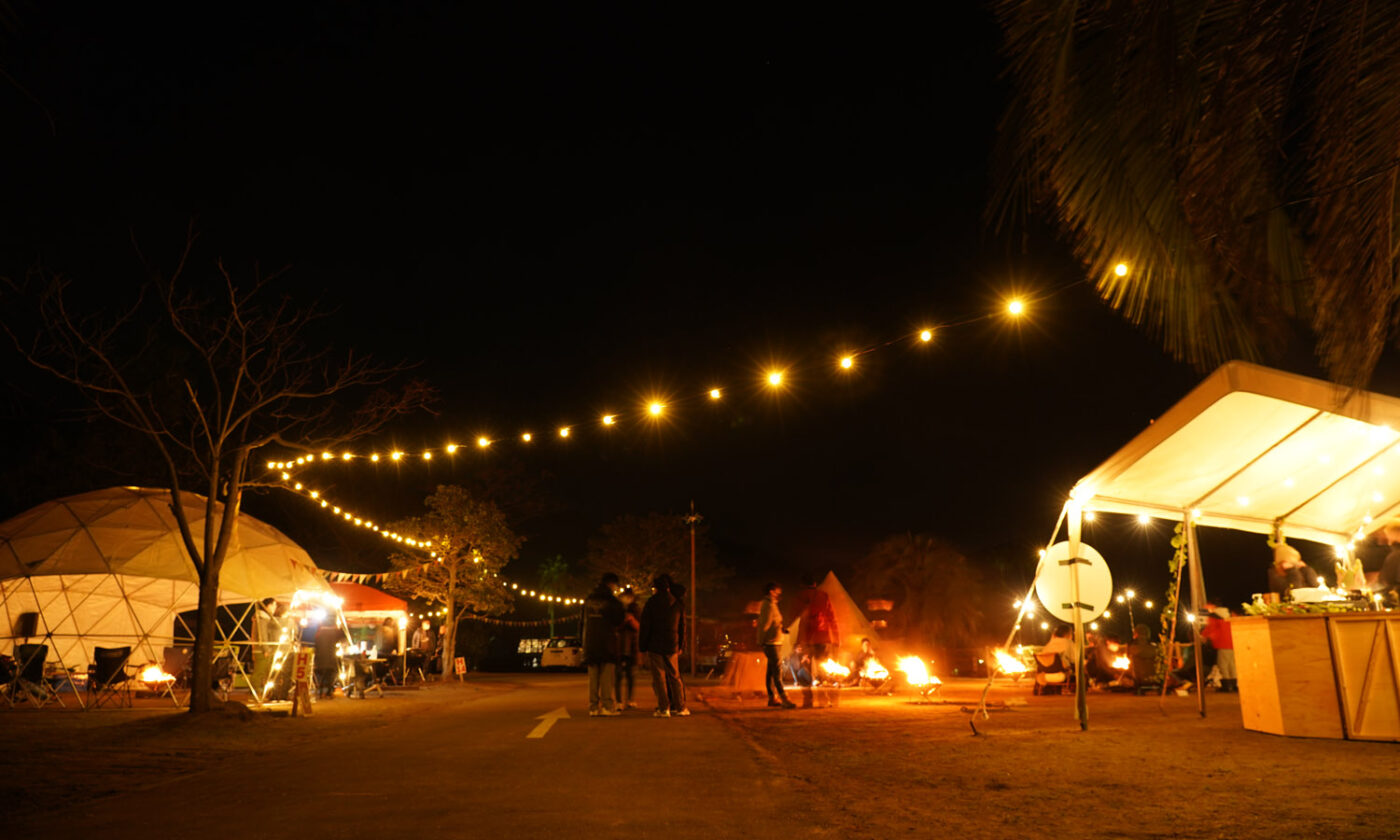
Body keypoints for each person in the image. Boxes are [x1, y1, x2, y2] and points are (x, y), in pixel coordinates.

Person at [639, 573, 688, 717]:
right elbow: (682, 626)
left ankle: (663, 708)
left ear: (656, 588)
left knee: (659, 678)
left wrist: (642, 645)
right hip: (672, 644)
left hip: (655, 645)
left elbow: (645, 626)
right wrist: (681, 645)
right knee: (675, 676)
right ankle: (680, 707)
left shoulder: (651, 603)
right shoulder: (677, 603)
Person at [582, 572, 625, 716]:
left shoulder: (588, 600)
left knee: (593, 676)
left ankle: (593, 707)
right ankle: (607, 706)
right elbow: (619, 620)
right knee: (607, 676)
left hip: (590, 641)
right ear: (611, 584)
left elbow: (582, 622)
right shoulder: (612, 601)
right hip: (607, 642)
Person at [756, 582, 795, 708]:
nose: (780, 593)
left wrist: (781, 629)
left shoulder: (772, 605)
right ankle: (784, 698)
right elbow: (764, 624)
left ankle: (772, 698)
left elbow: (773, 623)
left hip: (774, 641)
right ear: (772, 591)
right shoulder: (768, 605)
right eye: (778, 591)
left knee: (771, 672)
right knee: (777, 672)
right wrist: (761, 641)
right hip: (771, 643)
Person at [790, 575, 839, 664]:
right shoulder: (823, 596)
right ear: (815, 584)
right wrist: (836, 639)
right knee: (821, 665)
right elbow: (832, 618)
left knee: (807, 665)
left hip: (805, 637)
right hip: (822, 637)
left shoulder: (800, 596)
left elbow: (793, 617)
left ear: (802, 585)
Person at [614, 586, 642, 709]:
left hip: (632, 647)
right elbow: (614, 626)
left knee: (631, 675)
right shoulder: (617, 610)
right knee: (618, 675)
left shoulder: (637, 609)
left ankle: (630, 700)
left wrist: (631, 620)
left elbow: (639, 627)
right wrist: (623, 621)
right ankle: (619, 701)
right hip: (618, 647)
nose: (627, 599)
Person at [1201, 607, 1237, 692]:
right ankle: (1234, 685)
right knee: (1232, 665)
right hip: (1232, 643)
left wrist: (1203, 636)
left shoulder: (1214, 617)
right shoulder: (1228, 617)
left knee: (1223, 665)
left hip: (1222, 644)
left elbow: (1209, 628)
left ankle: (1227, 686)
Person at [312, 620, 346, 699]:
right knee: (333, 674)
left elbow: (315, 646)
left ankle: (322, 691)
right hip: (330, 659)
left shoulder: (318, 633)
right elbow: (343, 638)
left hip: (320, 660)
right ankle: (328, 692)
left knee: (323, 676)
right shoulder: (333, 632)